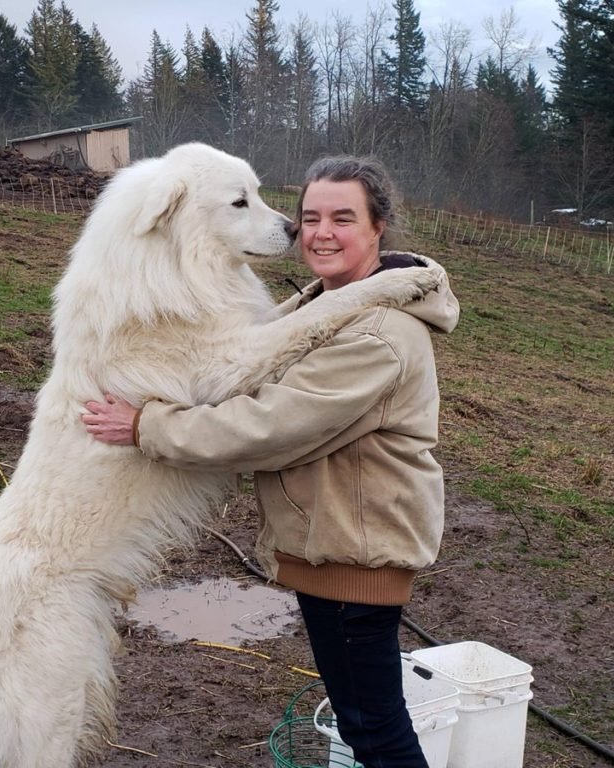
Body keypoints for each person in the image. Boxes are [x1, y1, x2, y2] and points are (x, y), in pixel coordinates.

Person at [82, 155, 459, 768]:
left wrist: (147, 425)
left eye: (343, 218)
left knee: (375, 731)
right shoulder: (334, 306)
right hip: (333, 549)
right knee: (366, 720)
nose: (318, 232)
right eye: (311, 217)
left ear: (378, 228)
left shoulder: (378, 334)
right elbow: (264, 355)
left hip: (354, 556)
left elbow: (267, 426)